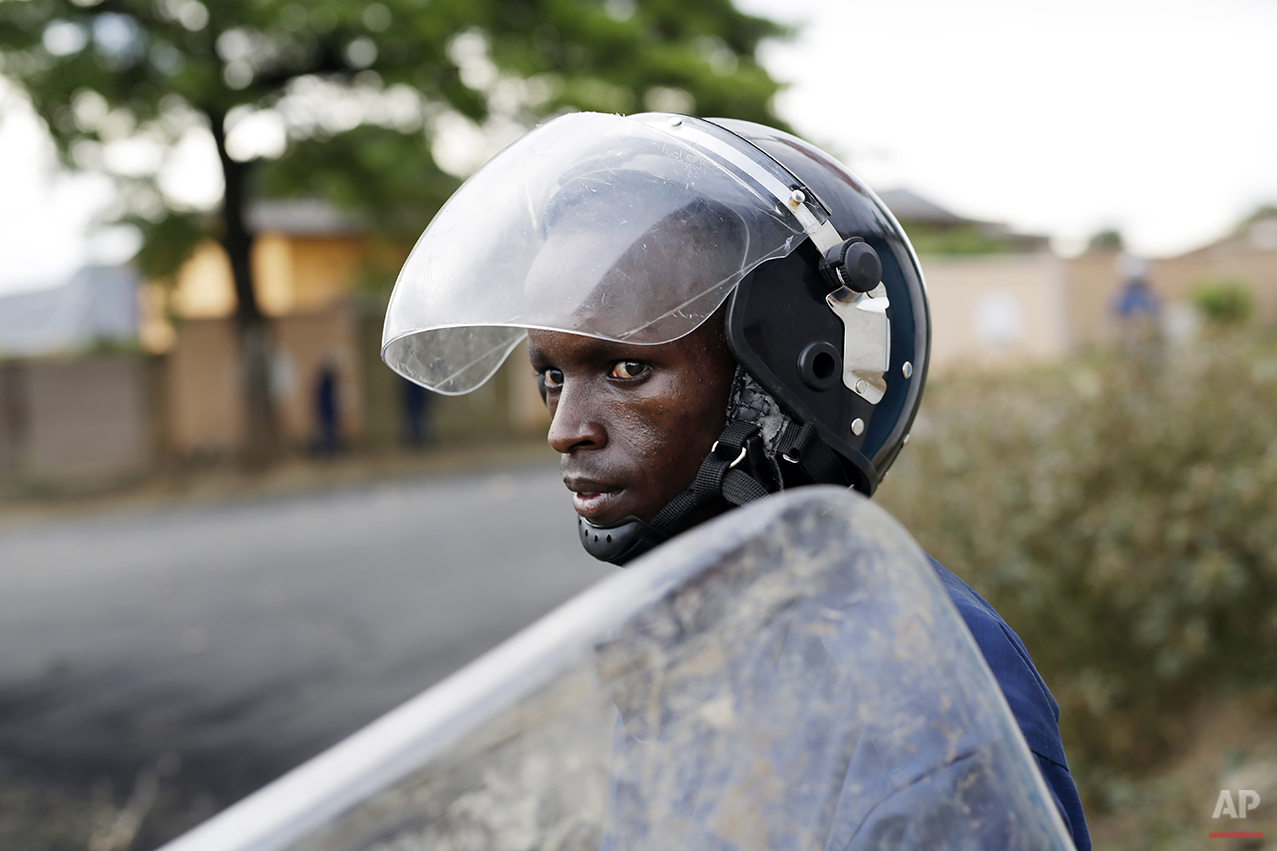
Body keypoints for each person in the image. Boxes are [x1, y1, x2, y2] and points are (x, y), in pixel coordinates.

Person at [382, 112, 1089, 849]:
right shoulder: (689, 636)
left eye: (626, 368)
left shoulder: (923, 684)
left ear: (781, 383)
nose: (565, 428)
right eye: (552, 376)